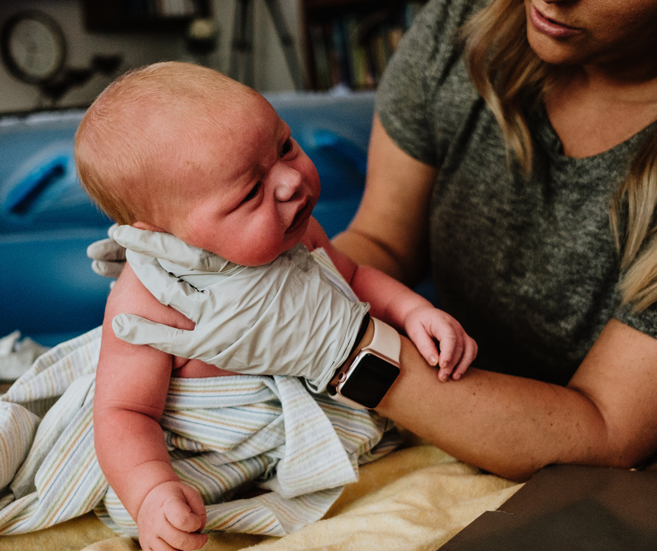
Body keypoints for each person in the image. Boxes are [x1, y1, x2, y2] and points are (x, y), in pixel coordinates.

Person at [91, 0, 657, 486]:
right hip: (459, 416)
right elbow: (379, 248)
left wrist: (345, 350)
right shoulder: (474, 14)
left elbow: (605, 435)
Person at [74, 62, 477, 551]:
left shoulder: (299, 232)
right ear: (158, 233)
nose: (289, 182)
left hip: (301, 418)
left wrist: (414, 312)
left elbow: (352, 276)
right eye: (249, 191)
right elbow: (124, 412)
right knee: (132, 498)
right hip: (206, 452)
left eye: (285, 146)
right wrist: (152, 492)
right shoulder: (146, 302)